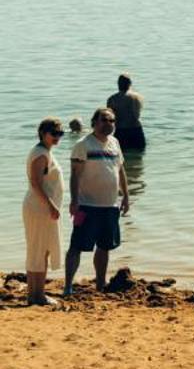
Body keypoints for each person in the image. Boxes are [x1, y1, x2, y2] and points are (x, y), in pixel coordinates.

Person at [65, 108, 128, 296]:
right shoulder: (83, 144)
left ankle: (100, 285)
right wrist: (74, 200)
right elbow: (74, 175)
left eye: (112, 120)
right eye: (104, 120)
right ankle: (68, 286)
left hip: (110, 205)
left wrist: (126, 195)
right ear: (94, 122)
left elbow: (121, 170)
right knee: (77, 246)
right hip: (87, 205)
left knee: (105, 246)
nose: (109, 123)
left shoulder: (115, 143)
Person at [23, 118, 64, 306]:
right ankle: (37, 295)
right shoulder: (41, 154)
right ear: (43, 133)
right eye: (54, 133)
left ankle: (34, 294)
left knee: (39, 250)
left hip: (41, 207)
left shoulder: (45, 152)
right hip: (39, 208)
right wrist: (51, 206)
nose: (57, 137)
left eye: (60, 134)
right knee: (39, 250)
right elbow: (35, 183)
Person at [106, 75, 146, 153]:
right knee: (138, 155)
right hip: (135, 130)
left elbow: (110, 119)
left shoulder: (112, 99)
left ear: (118, 84)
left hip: (120, 131)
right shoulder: (137, 97)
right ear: (130, 84)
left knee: (120, 156)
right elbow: (136, 116)